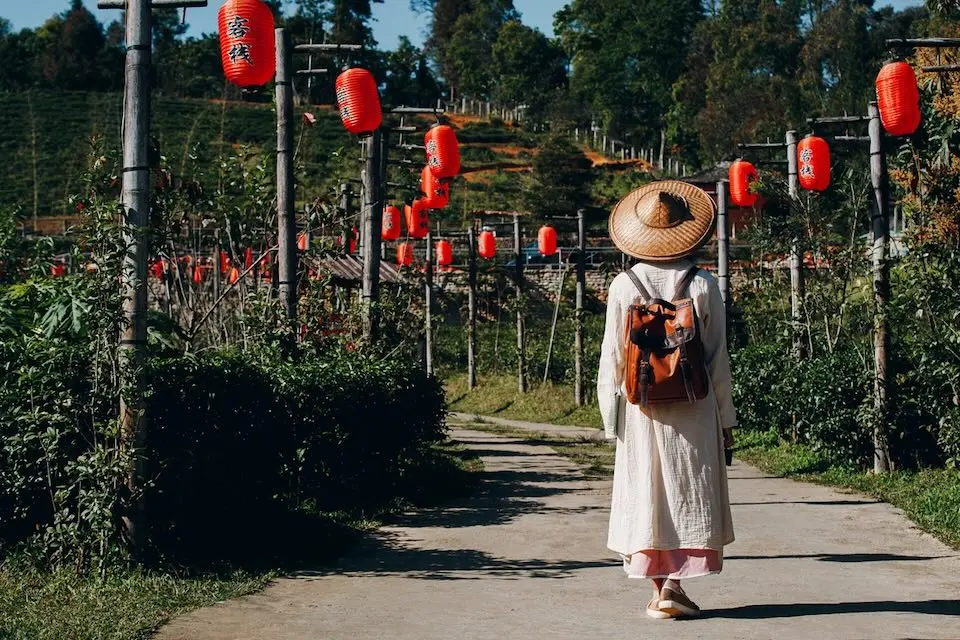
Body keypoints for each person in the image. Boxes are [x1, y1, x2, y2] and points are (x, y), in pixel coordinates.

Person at [596, 180, 736, 620]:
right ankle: (674, 586)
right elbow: (716, 357)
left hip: (641, 406)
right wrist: (725, 419)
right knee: (688, 487)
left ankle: (659, 591)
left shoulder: (623, 285)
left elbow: (613, 357)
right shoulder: (704, 284)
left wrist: (611, 419)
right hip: (694, 403)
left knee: (645, 490)